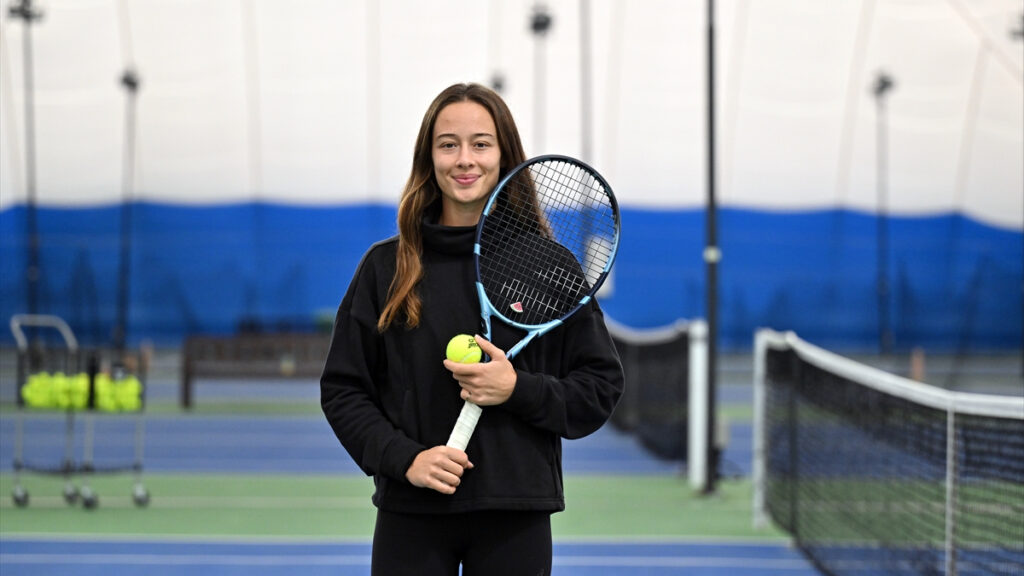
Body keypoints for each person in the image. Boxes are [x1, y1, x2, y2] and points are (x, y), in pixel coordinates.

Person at [320, 82, 624, 576]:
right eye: (448, 144)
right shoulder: (385, 267)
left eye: (481, 143)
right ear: (429, 157)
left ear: (504, 156)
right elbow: (343, 390)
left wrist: (517, 389)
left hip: (515, 514)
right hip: (410, 512)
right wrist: (404, 459)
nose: (465, 159)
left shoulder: (550, 265)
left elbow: (599, 388)